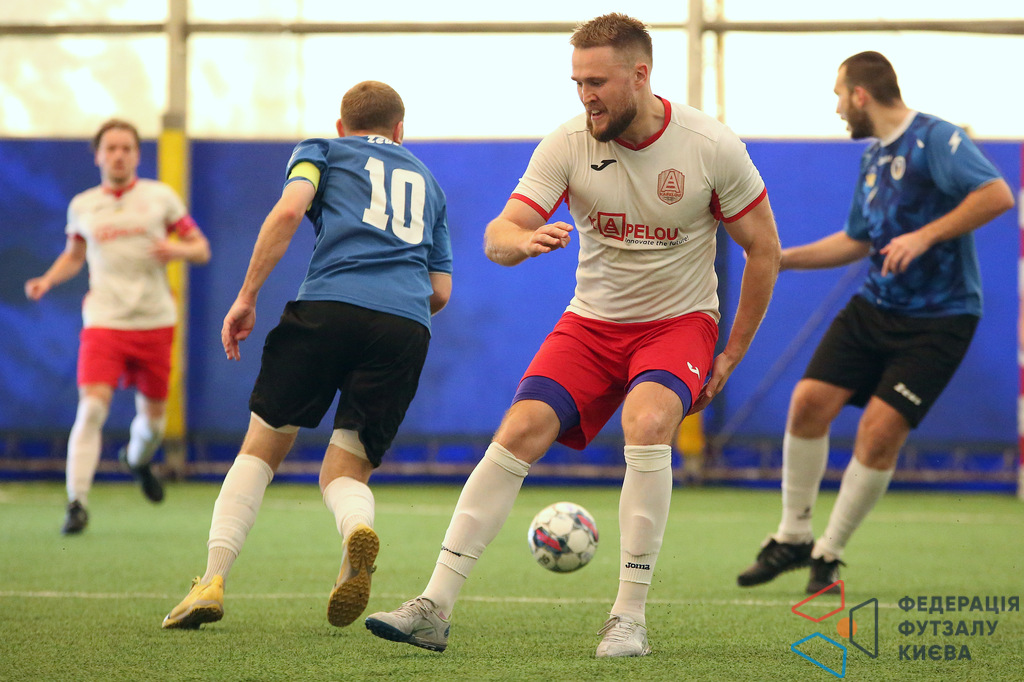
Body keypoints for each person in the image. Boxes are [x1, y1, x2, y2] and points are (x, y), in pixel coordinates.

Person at [365, 13, 781, 658]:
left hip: (678, 323)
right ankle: (433, 606)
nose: (586, 96)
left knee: (647, 422)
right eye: (578, 83)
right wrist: (524, 242)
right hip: (591, 323)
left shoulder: (710, 145)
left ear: (640, 75)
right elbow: (498, 234)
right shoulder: (566, 143)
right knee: (519, 429)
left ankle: (628, 618)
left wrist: (732, 353)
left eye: (597, 82)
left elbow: (764, 249)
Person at [161, 81, 453, 630]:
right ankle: (354, 530)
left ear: (342, 126)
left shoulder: (322, 149)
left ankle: (212, 580)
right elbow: (440, 291)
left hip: (327, 309)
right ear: (399, 130)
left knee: (260, 450)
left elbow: (290, 211)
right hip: (405, 326)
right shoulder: (429, 183)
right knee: (347, 469)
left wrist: (247, 296)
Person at [737, 51, 1014, 595]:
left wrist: (925, 235)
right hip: (876, 307)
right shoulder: (872, 160)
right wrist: (782, 259)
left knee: (878, 431)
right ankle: (793, 536)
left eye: (839, 96)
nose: (838, 108)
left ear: (860, 95)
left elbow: (996, 194)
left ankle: (828, 552)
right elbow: (858, 240)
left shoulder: (934, 138)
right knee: (808, 402)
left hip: (940, 319)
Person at [24, 119, 211, 535]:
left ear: (137, 154)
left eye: (126, 147)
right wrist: (48, 280)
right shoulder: (83, 205)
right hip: (104, 322)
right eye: (111, 148)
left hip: (154, 321)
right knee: (91, 408)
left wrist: (175, 249)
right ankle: (77, 503)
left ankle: (137, 461)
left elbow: (200, 249)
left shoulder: (160, 197)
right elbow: (74, 256)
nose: (119, 155)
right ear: (98, 156)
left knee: (154, 424)